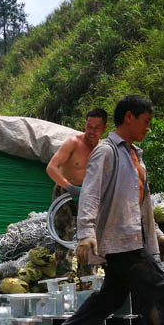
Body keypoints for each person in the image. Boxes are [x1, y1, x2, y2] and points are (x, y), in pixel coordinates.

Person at [41, 95, 164, 325]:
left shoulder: (134, 155)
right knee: (159, 290)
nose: (148, 128)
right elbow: (90, 192)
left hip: (133, 237)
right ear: (129, 117)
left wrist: (157, 235)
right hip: (121, 240)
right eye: (145, 121)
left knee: (112, 296)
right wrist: (86, 233)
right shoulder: (106, 152)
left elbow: (140, 202)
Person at [46, 108, 108, 275]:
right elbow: (51, 167)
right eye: (89, 126)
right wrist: (69, 187)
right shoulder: (73, 143)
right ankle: (64, 277)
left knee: (90, 236)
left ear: (104, 128)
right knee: (63, 236)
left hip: (91, 196)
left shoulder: (104, 149)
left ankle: (88, 277)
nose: (91, 131)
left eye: (96, 128)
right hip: (66, 193)